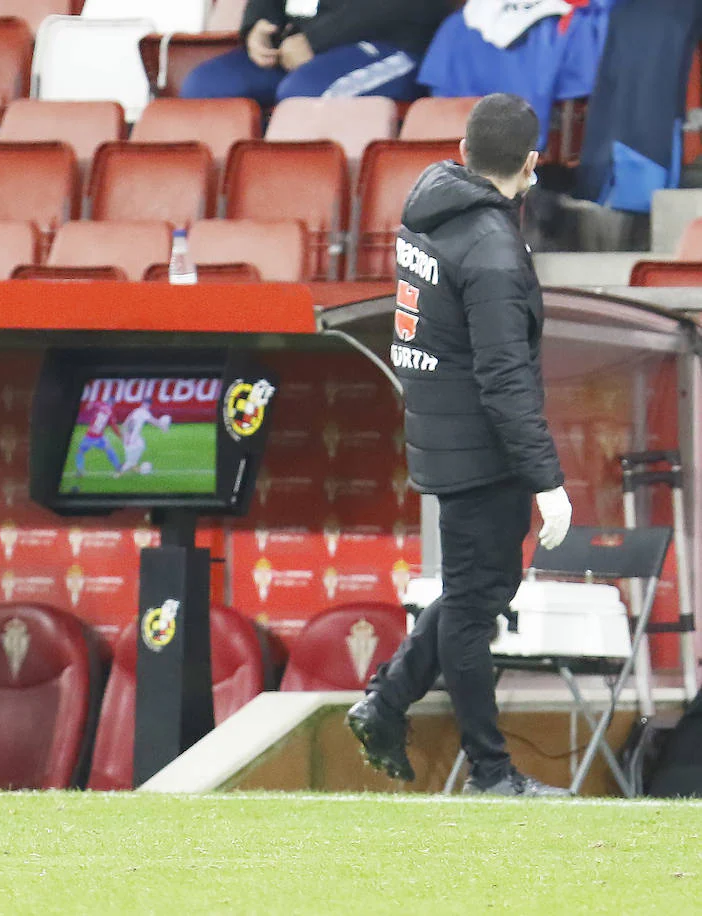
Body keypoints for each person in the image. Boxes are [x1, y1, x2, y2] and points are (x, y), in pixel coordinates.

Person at [346, 94, 575, 797]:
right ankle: (491, 772)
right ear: (531, 162)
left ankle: (386, 702)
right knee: (475, 608)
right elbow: (505, 378)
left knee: (480, 588)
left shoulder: (432, 207)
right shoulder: (494, 247)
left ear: (466, 149)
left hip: (444, 437)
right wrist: (547, 481)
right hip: (483, 450)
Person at [180, 0, 445, 103]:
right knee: (204, 87)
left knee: (302, 95)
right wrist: (259, 25)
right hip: (309, 45)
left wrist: (315, 40)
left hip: (396, 43)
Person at [116, 401, 170, 477]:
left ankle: (139, 470)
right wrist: (163, 427)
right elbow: (153, 422)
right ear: (148, 405)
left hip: (128, 439)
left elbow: (126, 424)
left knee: (140, 445)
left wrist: (125, 436)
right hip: (131, 440)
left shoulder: (136, 411)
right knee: (130, 462)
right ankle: (118, 474)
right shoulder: (144, 412)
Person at [74, 401, 123, 478]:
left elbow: (91, 404)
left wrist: (89, 406)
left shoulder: (100, 405)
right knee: (109, 449)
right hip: (99, 438)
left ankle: (80, 470)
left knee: (80, 452)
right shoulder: (110, 413)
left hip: (89, 436)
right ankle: (117, 466)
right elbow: (114, 427)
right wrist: (120, 436)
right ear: (113, 404)